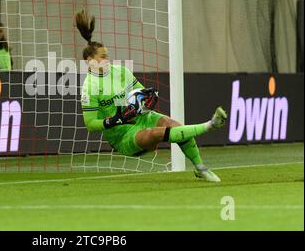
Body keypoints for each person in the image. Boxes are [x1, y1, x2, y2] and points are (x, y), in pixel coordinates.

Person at [77, 10, 227, 182]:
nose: (107, 60)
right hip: (123, 136)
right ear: (89, 60)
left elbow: (140, 93)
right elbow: (90, 124)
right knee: (156, 133)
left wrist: (148, 97)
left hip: (142, 117)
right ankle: (210, 125)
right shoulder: (89, 88)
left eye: (107, 56)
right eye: (103, 57)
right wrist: (114, 120)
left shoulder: (121, 72)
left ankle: (201, 168)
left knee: (173, 124)